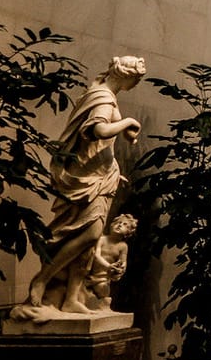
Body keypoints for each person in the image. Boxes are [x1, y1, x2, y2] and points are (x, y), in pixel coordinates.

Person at [24, 55, 144, 314]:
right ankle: (42, 279)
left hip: (103, 175)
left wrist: (124, 133)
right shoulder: (102, 96)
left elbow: (105, 133)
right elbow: (97, 130)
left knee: (89, 242)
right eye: (136, 79)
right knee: (89, 234)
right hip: (89, 177)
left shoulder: (106, 95)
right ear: (125, 75)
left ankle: (72, 298)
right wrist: (128, 123)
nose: (136, 84)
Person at [79, 213, 137, 312]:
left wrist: (121, 269)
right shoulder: (102, 239)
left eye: (124, 225)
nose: (120, 225)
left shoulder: (123, 246)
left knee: (103, 291)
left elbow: (123, 261)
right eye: (118, 223)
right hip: (90, 272)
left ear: (128, 232)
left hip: (104, 276)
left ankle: (101, 306)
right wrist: (109, 266)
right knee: (81, 290)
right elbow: (97, 256)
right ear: (111, 225)